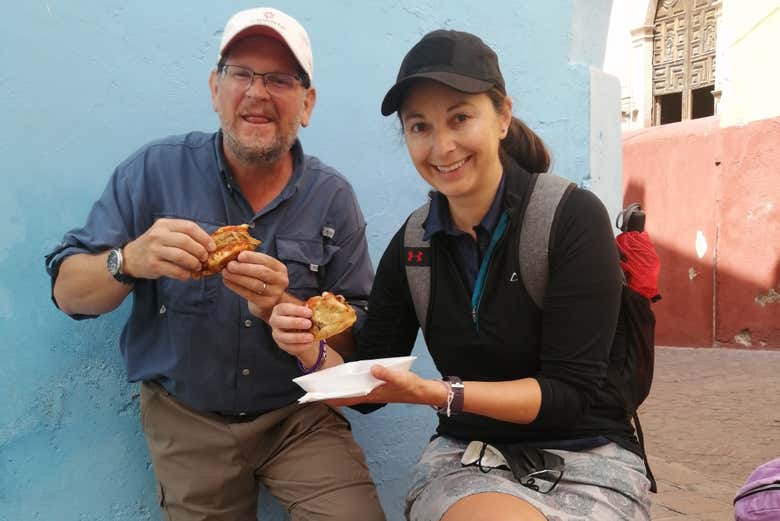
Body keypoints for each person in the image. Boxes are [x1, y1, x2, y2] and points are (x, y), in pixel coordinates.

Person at [269, 30, 652, 521]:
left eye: (460, 118)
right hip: (470, 454)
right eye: (419, 127)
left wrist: (438, 393)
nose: (442, 146)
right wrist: (309, 349)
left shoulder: (569, 217)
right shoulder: (414, 245)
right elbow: (369, 389)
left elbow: (569, 395)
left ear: (503, 116)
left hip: (587, 452)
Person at [45, 7, 385, 521]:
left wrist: (284, 308)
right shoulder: (153, 172)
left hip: (298, 417)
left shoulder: (332, 197)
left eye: (279, 79)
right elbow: (67, 292)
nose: (257, 92)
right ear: (214, 87)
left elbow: (356, 347)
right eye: (241, 74)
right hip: (188, 417)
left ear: (307, 103)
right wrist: (129, 260)